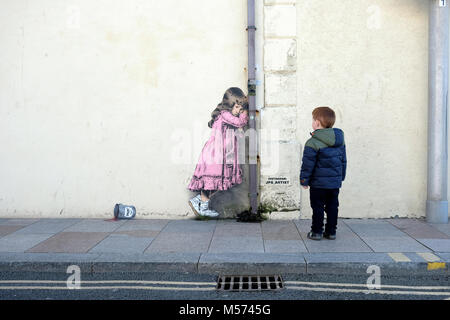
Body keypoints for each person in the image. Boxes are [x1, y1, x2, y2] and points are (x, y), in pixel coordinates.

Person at [187, 87, 249, 217]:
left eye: (240, 108)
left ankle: (198, 201)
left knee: (220, 183)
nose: (239, 111)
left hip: (225, 154)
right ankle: (202, 206)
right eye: (237, 107)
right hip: (216, 154)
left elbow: (239, 133)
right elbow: (240, 122)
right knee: (212, 182)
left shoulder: (230, 116)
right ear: (229, 104)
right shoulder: (225, 114)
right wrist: (245, 112)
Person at [300, 106, 347, 240]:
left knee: (318, 207)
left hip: (318, 184)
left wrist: (304, 180)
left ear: (317, 122)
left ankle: (316, 232)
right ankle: (331, 232)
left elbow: (308, 165)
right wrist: (341, 176)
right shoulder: (340, 140)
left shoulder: (312, 142)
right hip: (334, 183)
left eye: (313, 119)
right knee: (333, 206)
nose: (312, 122)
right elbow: (343, 160)